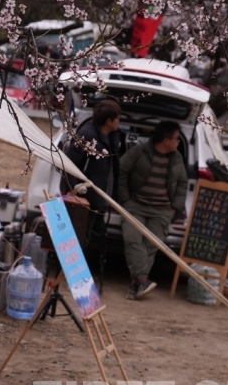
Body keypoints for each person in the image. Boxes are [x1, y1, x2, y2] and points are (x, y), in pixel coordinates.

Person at [118, 121, 187, 300]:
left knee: (152, 244)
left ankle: (137, 284)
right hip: (135, 205)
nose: (178, 142)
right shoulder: (139, 151)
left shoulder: (177, 158)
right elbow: (121, 170)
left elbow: (182, 184)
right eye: (176, 138)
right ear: (166, 140)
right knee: (132, 239)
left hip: (162, 210)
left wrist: (175, 208)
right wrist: (125, 199)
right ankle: (142, 280)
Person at [60, 99, 121, 244]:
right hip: (85, 199)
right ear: (109, 121)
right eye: (118, 118)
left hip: (99, 200)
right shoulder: (87, 136)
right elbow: (69, 164)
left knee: (89, 239)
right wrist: (72, 189)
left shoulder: (112, 137)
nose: (119, 121)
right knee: (77, 239)